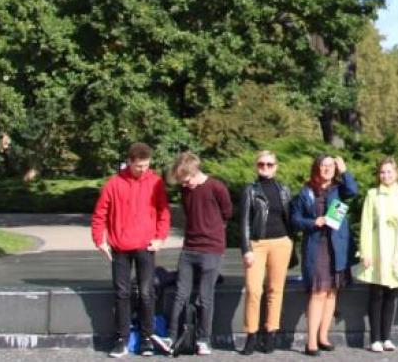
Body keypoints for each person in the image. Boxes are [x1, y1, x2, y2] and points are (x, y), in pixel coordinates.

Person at [91, 142, 172, 359]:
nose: (143, 170)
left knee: (147, 293)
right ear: (129, 162)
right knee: (122, 293)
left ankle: (146, 337)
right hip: (120, 247)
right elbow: (100, 214)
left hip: (146, 246)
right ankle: (122, 339)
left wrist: (160, 239)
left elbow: (164, 213)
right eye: (139, 166)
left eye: (146, 165)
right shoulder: (114, 184)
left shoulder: (155, 182)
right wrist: (100, 240)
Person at [290, 155, 360, 356]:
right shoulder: (306, 191)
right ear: (316, 168)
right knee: (318, 293)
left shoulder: (339, 189)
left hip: (336, 246)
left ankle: (323, 336)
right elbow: (295, 219)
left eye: (331, 166)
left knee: (332, 293)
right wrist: (313, 222)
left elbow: (353, 191)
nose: (327, 169)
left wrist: (345, 170)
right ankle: (310, 341)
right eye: (323, 165)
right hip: (316, 246)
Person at [167, 152, 232, 357]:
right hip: (189, 248)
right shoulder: (186, 191)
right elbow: (188, 212)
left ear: (194, 172)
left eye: (186, 180)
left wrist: (213, 231)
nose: (185, 185)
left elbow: (227, 212)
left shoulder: (216, 187)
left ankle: (204, 340)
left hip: (211, 249)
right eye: (181, 182)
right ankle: (171, 336)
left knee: (205, 297)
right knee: (180, 294)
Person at [357, 157, 398, 353]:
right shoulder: (372, 194)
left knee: (392, 294)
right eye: (382, 172)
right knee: (376, 294)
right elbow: (365, 225)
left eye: (389, 172)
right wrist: (364, 251)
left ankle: (387, 337)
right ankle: (374, 338)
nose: (386, 175)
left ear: (397, 173)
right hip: (377, 249)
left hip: (397, 251)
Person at [239, 150, 293, 356]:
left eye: (270, 164)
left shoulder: (284, 190)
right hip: (257, 244)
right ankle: (251, 334)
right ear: (256, 166)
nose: (265, 168)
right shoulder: (250, 190)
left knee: (275, 290)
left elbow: (290, 217)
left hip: (281, 243)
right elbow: (244, 221)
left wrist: (290, 239)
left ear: (276, 166)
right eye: (262, 164)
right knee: (253, 290)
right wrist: (246, 249)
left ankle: (270, 333)